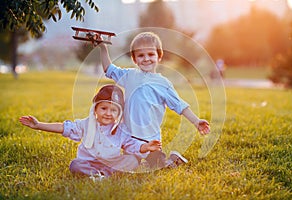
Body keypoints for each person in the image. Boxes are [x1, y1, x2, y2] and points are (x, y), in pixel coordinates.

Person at [98, 32, 210, 169]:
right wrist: (103, 47)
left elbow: (180, 105)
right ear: (134, 59)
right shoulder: (129, 76)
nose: (146, 59)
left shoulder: (163, 83)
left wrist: (196, 121)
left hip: (151, 140)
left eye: (151, 54)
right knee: (129, 165)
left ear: (159, 56)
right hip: (130, 140)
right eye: (140, 55)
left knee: (157, 167)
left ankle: (172, 159)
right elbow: (108, 69)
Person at [19, 84, 162, 181]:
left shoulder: (120, 130)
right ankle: (97, 175)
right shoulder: (86, 124)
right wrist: (39, 125)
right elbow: (64, 128)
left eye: (113, 110)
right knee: (75, 165)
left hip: (111, 163)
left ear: (119, 113)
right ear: (95, 109)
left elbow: (132, 145)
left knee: (132, 159)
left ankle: (105, 175)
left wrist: (146, 146)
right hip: (89, 164)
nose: (108, 113)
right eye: (104, 108)